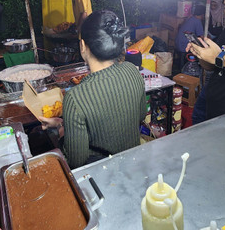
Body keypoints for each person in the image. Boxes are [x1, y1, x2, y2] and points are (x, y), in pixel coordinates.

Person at [39, 10, 146, 168]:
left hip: (101, 172)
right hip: (134, 161)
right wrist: (63, 121)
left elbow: (76, 160)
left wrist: (62, 128)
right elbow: (141, 115)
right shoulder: (132, 70)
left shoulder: (75, 97)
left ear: (82, 46)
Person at [174, 4, 206, 71]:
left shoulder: (190, 18)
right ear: (203, 14)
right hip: (184, 47)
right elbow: (201, 37)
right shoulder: (198, 21)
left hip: (177, 43)